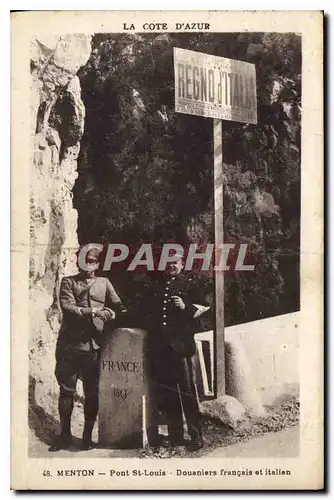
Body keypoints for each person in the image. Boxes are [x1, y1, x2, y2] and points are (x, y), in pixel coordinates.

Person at [49, 245, 127, 452]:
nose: (88, 265)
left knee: (92, 393)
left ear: (98, 264)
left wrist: (111, 313)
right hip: (69, 345)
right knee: (67, 391)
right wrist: (94, 311)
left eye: (92, 261)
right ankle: (64, 435)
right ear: (78, 261)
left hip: (93, 347)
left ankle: (86, 438)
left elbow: (120, 307)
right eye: (85, 261)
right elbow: (68, 307)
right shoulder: (68, 282)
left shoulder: (104, 283)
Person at [139, 254, 209, 451]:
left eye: (175, 262)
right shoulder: (156, 286)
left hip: (181, 347)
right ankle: (175, 435)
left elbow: (204, 307)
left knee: (187, 392)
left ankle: (196, 435)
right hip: (161, 349)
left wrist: (185, 307)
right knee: (168, 394)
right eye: (167, 262)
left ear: (182, 264)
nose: (171, 265)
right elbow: (146, 312)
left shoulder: (190, 285)